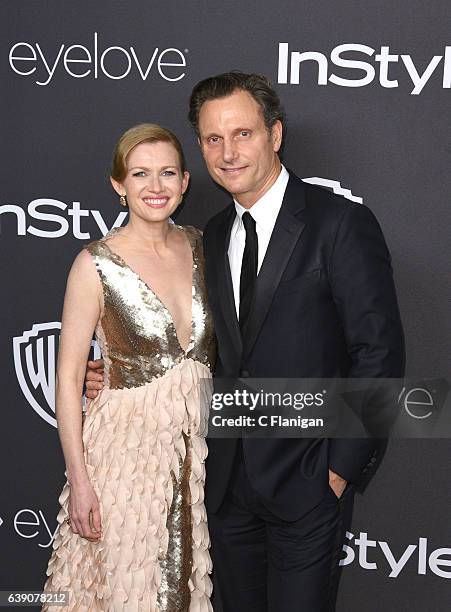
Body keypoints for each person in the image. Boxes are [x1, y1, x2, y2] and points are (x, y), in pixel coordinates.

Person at [87, 72, 405, 611]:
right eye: (213, 139)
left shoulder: (339, 224)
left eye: (243, 134)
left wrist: (339, 470)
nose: (228, 152)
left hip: (308, 481)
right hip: (225, 486)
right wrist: (117, 372)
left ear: (275, 135)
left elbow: (379, 354)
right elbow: (195, 346)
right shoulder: (208, 236)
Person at [43, 123, 215, 611]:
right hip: (123, 461)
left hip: (196, 458)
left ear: (184, 182)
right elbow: (71, 377)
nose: (155, 187)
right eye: (140, 174)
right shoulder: (94, 264)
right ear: (119, 185)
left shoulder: (207, 248)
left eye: (166, 173)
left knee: (180, 588)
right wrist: (80, 481)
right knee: (126, 588)